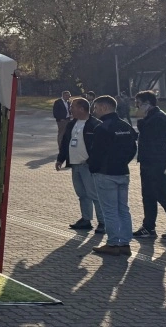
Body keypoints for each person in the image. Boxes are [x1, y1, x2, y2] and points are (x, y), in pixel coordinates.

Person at [89, 95, 138, 256]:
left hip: (105, 173)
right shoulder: (126, 126)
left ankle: (112, 243)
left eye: (96, 108)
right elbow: (132, 149)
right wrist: (123, 162)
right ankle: (125, 242)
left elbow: (96, 152)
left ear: (104, 108)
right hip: (122, 172)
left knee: (109, 210)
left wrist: (93, 168)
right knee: (123, 209)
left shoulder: (102, 128)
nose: (94, 112)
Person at [132, 91, 166, 240]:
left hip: (157, 163)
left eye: (138, 104)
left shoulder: (158, 118)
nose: (136, 107)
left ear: (147, 104)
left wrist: (142, 120)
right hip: (148, 162)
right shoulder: (152, 117)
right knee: (148, 195)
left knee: (162, 194)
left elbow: (149, 134)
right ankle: (148, 226)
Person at [56, 97, 104, 232]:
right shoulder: (72, 124)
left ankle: (102, 221)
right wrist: (60, 159)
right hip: (75, 165)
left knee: (94, 194)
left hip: (88, 166)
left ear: (82, 109)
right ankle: (86, 219)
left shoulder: (95, 124)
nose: (70, 110)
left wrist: (93, 161)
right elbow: (66, 142)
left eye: (73, 107)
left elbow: (100, 147)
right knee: (82, 194)